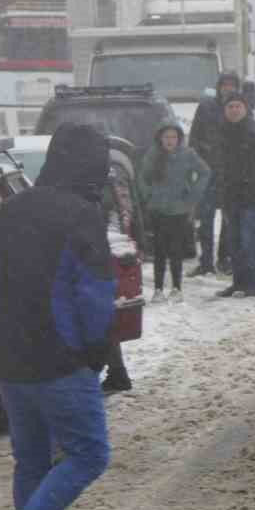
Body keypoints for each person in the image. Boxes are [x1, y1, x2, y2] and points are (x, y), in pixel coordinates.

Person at [0, 123, 116, 510]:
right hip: (61, 360)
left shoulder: (9, 210)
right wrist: (96, 351)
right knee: (90, 453)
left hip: (13, 360)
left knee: (32, 459)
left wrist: (4, 340)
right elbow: (94, 292)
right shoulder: (82, 214)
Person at [214, 92, 255, 299]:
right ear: (225, 110)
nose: (234, 110)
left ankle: (254, 285)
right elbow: (216, 163)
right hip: (229, 197)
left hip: (251, 197)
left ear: (245, 108)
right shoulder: (221, 132)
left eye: (237, 106)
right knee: (233, 241)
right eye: (230, 106)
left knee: (249, 240)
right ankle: (238, 283)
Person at [137, 119, 211, 302]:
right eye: (166, 137)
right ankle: (158, 289)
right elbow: (142, 177)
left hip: (179, 210)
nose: (170, 141)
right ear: (160, 138)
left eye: (174, 137)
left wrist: (192, 195)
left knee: (176, 250)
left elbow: (205, 172)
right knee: (159, 250)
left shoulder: (187, 154)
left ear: (179, 139)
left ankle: (177, 288)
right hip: (157, 209)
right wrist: (149, 195)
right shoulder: (153, 155)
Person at [189, 71, 241, 276]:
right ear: (218, 86)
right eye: (224, 84)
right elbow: (194, 138)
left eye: (231, 85)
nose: (227, 88)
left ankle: (224, 259)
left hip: (229, 174)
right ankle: (206, 261)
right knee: (205, 219)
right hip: (208, 172)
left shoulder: (239, 108)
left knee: (229, 220)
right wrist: (197, 164)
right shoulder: (206, 107)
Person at [99, 143, 138, 393]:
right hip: (102, 253)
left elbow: (123, 216)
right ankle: (116, 370)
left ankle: (115, 371)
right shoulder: (106, 178)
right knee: (105, 314)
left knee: (102, 314)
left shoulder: (106, 181)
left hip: (101, 253)